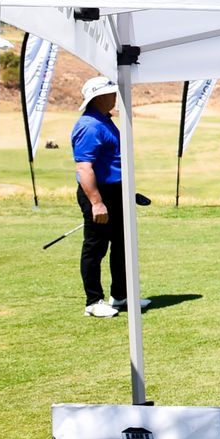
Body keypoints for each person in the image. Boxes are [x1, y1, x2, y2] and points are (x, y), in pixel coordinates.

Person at [71, 77, 146, 318]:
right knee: (96, 247)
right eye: (111, 93)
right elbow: (84, 168)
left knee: (123, 245)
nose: (115, 97)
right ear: (99, 97)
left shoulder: (105, 120)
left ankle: (120, 295)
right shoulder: (90, 126)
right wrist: (97, 202)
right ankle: (93, 301)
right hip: (98, 193)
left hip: (114, 192)